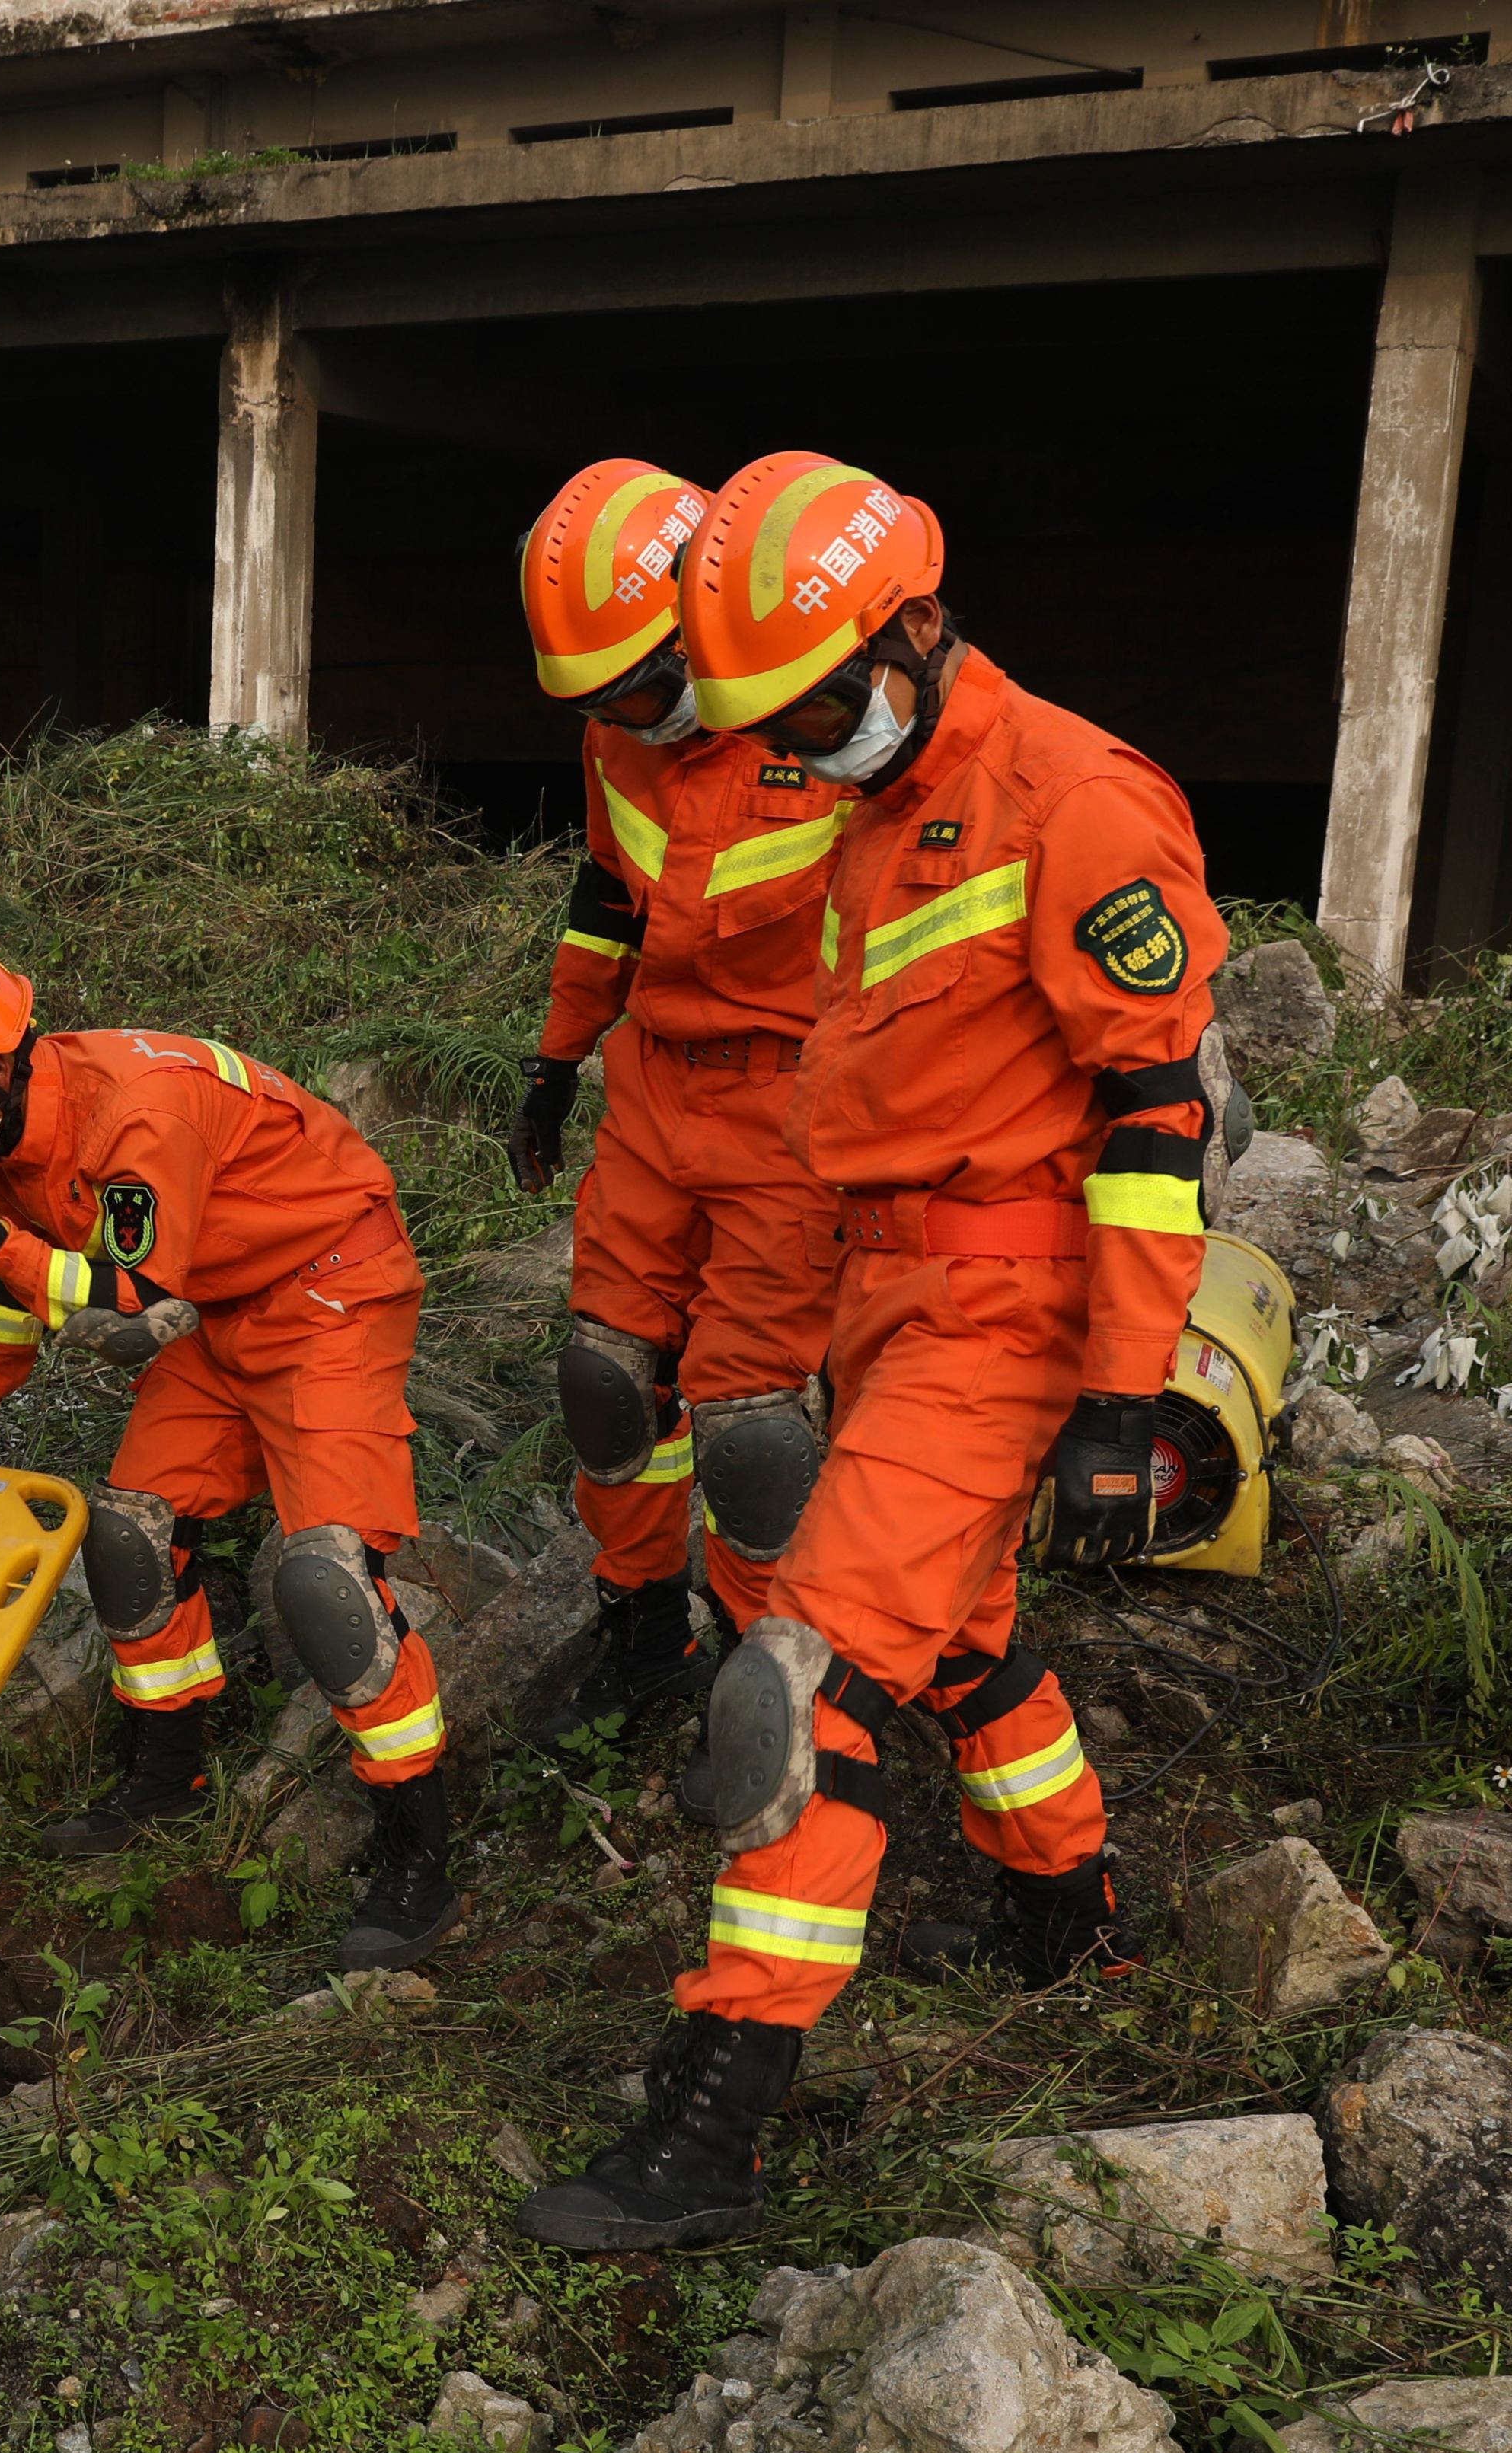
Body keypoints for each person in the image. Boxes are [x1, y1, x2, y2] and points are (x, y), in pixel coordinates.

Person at [522, 453, 1214, 2254]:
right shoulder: (873, 789)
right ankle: (1069, 1913)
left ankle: (712, 2123)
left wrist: (1125, 1397)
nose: (806, 739)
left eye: (825, 699)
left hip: (1000, 1310)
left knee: (803, 1685)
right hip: (880, 1288)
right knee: (959, 1635)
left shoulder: (1075, 802)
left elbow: (1154, 1117)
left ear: (918, 623)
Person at [0, 935, 458, 1970]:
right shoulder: (22, 1123)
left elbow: (132, 1313)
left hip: (326, 1288)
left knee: (329, 1584)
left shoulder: (138, 1115)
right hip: (217, 1302)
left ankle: (416, 1848)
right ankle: (169, 1775)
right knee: (128, 1536)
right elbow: (22, 1293)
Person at [510, 459, 848, 1753]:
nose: (630, 719)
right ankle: (642, 1627)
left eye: (646, 687)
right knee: (607, 1377)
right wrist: (555, 1059)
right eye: (602, 699)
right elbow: (608, 898)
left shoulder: (826, 727)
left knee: (755, 1431)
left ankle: (766, 1680)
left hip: (795, 1111)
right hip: (654, 1089)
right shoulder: (620, 737)